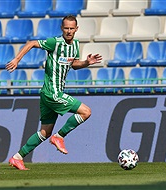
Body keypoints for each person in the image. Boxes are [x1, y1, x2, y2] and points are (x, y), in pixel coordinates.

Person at [6, 15, 102, 170]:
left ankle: (17, 157)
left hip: (47, 94)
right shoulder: (55, 43)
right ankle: (60, 136)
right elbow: (31, 43)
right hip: (53, 92)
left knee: (45, 132)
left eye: (72, 28)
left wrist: (86, 62)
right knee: (86, 112)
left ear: (76, 29)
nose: (69, 31)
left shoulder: (75, 44)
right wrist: (17, 59)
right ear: (61, 28)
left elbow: (73, 64)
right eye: (66, 28)